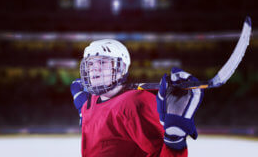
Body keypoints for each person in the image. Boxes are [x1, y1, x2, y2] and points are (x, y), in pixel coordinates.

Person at [70, 39, 204, 157]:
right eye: (90, 64)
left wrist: (174, 140)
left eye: (102, 62)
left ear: (120, 67)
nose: (94, 68)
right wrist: (85, 114)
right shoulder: (91, 101)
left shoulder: (135, 103)